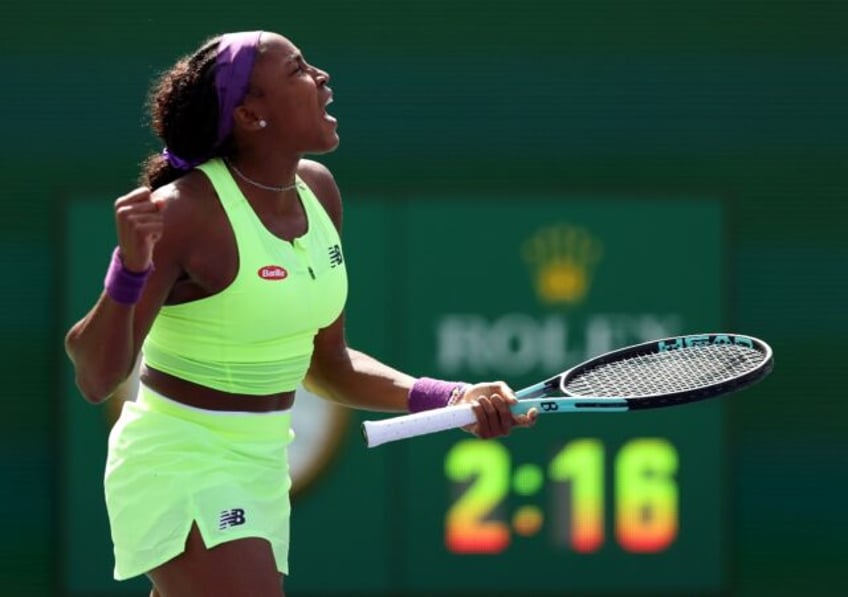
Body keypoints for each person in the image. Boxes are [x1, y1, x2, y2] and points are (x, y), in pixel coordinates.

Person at [64, 30, 537, 597]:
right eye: (298, 70)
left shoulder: (318, 191)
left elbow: (327, 364)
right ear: (250, 114)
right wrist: (128, 273)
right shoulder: (183, 214)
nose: (322, 78)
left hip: (263, 463)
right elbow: (95, 376)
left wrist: (451, 397)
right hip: (181, 463)